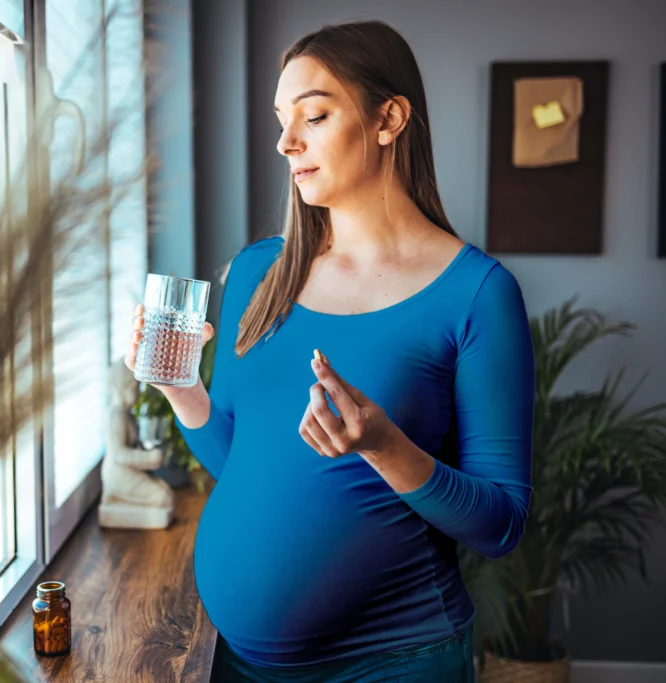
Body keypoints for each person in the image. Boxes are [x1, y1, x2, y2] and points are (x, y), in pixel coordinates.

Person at [125, 20, 534, 683]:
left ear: (389, 119)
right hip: (239, 662)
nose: (286, 142)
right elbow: (239, 462)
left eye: (313, 115)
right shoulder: (259, 272)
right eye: (281, 120)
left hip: (395, 662)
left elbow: (502, 526)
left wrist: (383, 445)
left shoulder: (478, 295)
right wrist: (180, 387)